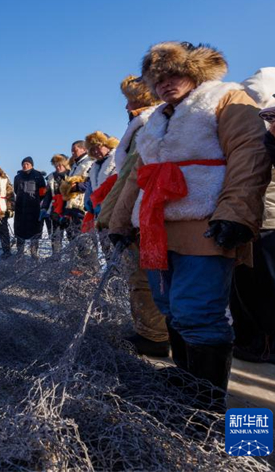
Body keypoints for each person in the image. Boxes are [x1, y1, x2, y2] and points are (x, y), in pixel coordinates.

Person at [109, 42, 272, 410]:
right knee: (170, 308)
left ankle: (206, 404)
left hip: (206, 222)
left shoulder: (227, 97)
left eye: (174, 75)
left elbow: (250, 151)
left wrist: (235, 213)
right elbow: (137, 175)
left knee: (198, 311)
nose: (166, 84)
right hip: (154, 227)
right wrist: (120, 222)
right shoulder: (155, 121)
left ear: (196, 71)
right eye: (159, 78)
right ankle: (186, 384)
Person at [97, 75, 168, 357]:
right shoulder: (144, 124)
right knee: (143, 276)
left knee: (144, 277)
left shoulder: (148, 125)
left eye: (132, 100)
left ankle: (153, 335)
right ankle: (152, 331)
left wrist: (113, 215)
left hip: (145, 210)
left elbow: (130, 175)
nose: (127, 106)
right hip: (139, 208)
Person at [230, 68, 275, 365]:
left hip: (272, 218)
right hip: (255, 216)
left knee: (268, 287)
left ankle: (270, 347)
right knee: (247, 285)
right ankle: (251, 341)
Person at [81, 132, 118, 233]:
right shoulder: (94, 166)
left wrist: (103, 202)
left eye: (98, 147)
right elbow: (90, 186)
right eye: (92, 149)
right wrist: (88, 200)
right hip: (100, 210)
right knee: (104, 241)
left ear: (107, 145)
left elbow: (117, 183)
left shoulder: (117, 158)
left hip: (114, 208)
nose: (95, 151)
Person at [13, 157, 47, 258]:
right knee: (20, 229)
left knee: (35, 230)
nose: (25, 165)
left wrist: (39, 202)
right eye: (23, 163)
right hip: (21, 207)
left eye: (27, 163)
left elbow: (42, 192)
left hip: (34, 207)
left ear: (32, 165)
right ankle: (20, 252)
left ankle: (34, 252)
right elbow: (16, 190)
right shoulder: (17, 177)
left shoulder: (38, 176)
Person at [60, 141, 94, 240]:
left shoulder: (90, 162)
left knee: (85, 238)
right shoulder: (75, 165)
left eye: (75, 150)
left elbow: (92, 183)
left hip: (83, 206)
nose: (72, 153)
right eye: (71, 151)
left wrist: (78, 186)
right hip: (72, 206)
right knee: (73, 238)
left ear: (84, 149)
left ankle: (89, 255)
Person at [42, 154, 70, 254]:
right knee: (56, 235)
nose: (58, 168)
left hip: (69, 209)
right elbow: (48, 195)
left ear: (65, 164)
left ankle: (74, 259)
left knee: (72, 235)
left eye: (60, 165)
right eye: (56, 165)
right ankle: (56, 257)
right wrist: (44, 208)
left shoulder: (72, 174)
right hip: (56, 209)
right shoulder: (51, 177)